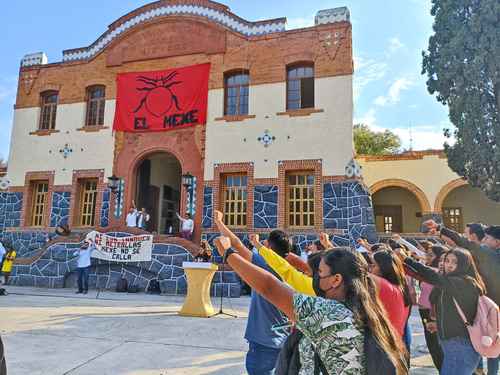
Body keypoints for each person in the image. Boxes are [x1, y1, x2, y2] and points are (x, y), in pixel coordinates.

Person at [214, 235, 408, 375]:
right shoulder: (366, 310)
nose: (315, 278)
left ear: (336, 280)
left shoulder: (329, 314)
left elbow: (269, 287)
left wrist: (228, 253)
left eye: (320, 273)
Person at [214, 211, 289, 375]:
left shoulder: (266, 265)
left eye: (264, 243)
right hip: (283, 340)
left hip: (264, 344)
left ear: (269, 247)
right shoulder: (291, 270)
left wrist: (219, 222)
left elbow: (237, 244)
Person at [424, 220, 500, 375]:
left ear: (497, 242)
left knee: (488, 345)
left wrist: (441, 229)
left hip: (487, 312)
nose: (483, 241)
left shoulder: (490, 256)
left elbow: (467, 245)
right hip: (487, 312)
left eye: (487, 238)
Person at [401, 247, 486, 375]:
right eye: (447, 261)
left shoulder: (463, 282)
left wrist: (407, 259)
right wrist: (438, 326)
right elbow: (457, 314)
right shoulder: (453, 282)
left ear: (465, 264)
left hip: (461, 346)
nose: (449, 265)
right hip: (454, 344)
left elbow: (430, 275)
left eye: (454, 262)